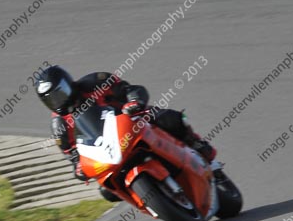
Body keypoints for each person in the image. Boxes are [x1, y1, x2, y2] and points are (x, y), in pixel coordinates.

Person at [34, 65, 216, 201]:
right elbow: (73, 154)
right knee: (107, 191)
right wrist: (78, 167)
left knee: (169, 119)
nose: (57, 101)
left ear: (68, 83)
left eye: (59, 93)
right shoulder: (59, 125)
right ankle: (151, 198)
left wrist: (134, 101)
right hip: (108, 148)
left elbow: (129, 89)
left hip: (133, 120)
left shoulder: (95, 82)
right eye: (50, 99)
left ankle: (196, 144)